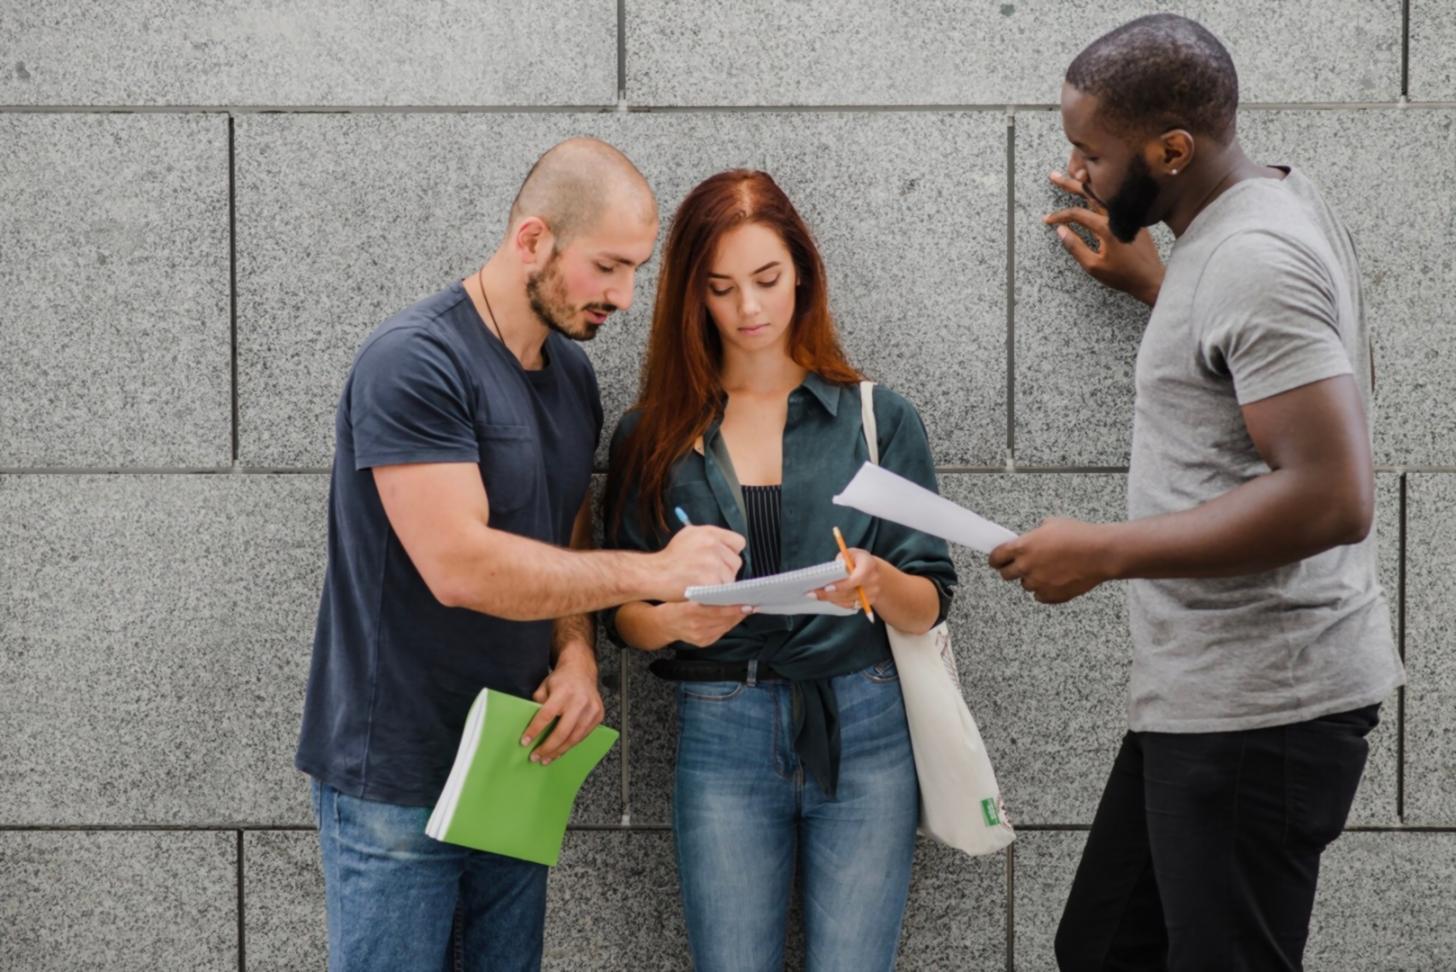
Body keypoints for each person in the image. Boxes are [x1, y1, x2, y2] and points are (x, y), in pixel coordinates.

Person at [988, 15, 1406, 971]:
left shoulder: (1252, 259)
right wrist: (1162, 288)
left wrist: (1102, 552)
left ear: (1171, 150)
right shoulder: (1244, 223)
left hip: (1264, 709)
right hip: (1213, 703)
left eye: (1091, 151)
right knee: (1102, 947)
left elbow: (1332, 496)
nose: (1077, 169)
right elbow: (1248, 378)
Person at [294, 137, 746, 972]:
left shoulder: (571, 375)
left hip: (513, 761)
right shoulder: (416, 361)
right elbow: (460, 565)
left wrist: (576, 658)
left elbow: (562, 533)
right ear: (533, 239)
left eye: (637, 270)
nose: (625, 294)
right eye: (608, 266)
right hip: (394, 776)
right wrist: (653, 571)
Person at [605, 169, 958, 972]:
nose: (751, 309)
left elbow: (931, 598)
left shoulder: (877, 417)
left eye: (767, 280)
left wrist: (875, 578)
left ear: (802, 269)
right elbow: (623, 611)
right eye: (722, 289)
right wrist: (673, 620)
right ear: (692, 297)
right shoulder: (652, 436)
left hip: (864, 722)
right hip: (720, 723)